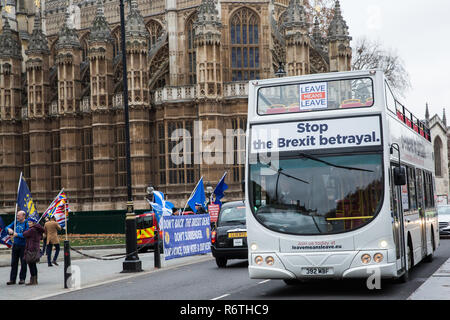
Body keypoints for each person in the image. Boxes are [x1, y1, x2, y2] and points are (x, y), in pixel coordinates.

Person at [5, 210, 29, 285]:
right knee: (14, 263)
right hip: (15, 245)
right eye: (17, 215)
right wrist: (9, 229)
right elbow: (7, 227)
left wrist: (17, 234)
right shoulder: (16, 222)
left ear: (23, 216)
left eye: (19, 215)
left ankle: (22, 278)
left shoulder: (26, 223)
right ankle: (12, 279)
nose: (17, 217)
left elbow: (26, 234)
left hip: (23, 245)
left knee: (23, 263)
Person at [23, 217, 44, 285]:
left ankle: (33, 280)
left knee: (31, 264)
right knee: (33, 264)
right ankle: (34, 280)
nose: (29, 223)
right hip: (35, 248)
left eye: (30, 222)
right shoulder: (37, 229)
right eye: (28, 222)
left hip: (31, 249)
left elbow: (24, 234)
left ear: (33, 223)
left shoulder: (32, 230)